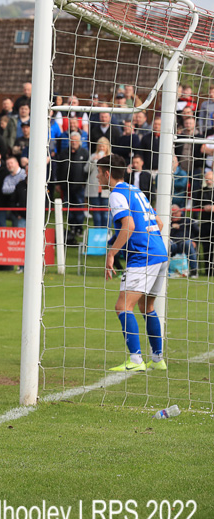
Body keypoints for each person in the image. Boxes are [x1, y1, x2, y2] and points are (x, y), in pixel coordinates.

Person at [98, 154, 168, 372]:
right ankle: (157, 360)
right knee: (146, 306)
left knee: (122, 306)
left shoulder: (117, 194)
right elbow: (159, 222)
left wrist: (111, 253)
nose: (97, 176)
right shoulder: (135, 191)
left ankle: (136, 360)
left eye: (99, 172)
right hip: (159, 252)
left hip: (143, 255)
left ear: (107, 173)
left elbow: (128, 226)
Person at [87, 137, 112, 228]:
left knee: (106, 213)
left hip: (106, 190)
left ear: (107, 147)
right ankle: (97, 233)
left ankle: (107, 233)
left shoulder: (111, 157)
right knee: (96, 213)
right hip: (94, 188)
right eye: (100, 146)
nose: (102, 148)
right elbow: (86, 169)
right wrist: (93, 161)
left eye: (103, 147)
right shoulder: (93, 156)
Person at [169, 205, 200, 278]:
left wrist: (195, 241)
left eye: (175, 213)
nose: (174, 215)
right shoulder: (167, 222)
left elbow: (198, 233)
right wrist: (171, 227)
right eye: (172, 213)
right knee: (167, 245)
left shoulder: (188, 221)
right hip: (173, 244)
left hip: (185, 243)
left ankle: (194, 271)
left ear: (180, 212)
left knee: (188, 243)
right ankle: (166, 270)